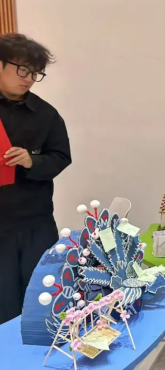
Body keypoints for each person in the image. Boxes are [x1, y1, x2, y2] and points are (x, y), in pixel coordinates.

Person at [0, 33, 71, 324]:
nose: (29, 79)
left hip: (36, 221)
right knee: (3, 301)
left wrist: (32, 161)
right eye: (22, 70)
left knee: (41, 296)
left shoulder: (45, 114)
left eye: (35, 73)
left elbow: (62, 157)